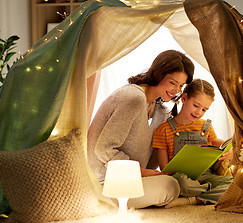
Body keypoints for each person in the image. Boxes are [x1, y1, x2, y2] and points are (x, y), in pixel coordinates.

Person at [87, 50, 195, 208]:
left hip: (132, 179)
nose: (176, 90)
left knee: (179, 181)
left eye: (181, 85)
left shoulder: (160, 111)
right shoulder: (133, 98)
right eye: (173, 82)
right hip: (105, 182)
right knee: (169, 187)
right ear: (158, 74)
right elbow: (103, 149)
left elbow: (153, 160)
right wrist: (142, 172)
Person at [152, 79, 233, 208]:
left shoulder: (205, 126)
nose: (198, 112)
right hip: (180, 177)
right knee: (182, 184)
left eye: (204, 110)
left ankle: (193, 199)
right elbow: (164, 167)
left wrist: (229, 150)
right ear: (184, 98)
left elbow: (216, 143)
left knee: (233, 183)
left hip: (205, 175)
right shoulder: (163, 129)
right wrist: (189, 181)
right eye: (196, 106)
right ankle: (207, 193)